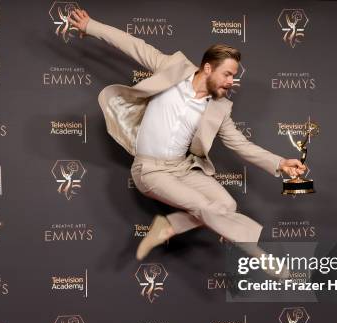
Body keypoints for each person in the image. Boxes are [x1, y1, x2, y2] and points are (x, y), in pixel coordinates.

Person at [68, 10, 306, 262]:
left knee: (226, 206)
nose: (231, 81)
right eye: (227, 74)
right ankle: (255, 252)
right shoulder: (173, 69)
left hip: (182, 169)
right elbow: (133, 45)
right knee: (207, 208)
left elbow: (240, 144)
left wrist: (279, 162)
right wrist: (90, 25)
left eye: (234, 76)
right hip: (149, 171)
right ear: (207, 68)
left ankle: (169, 227)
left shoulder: (220, 108)